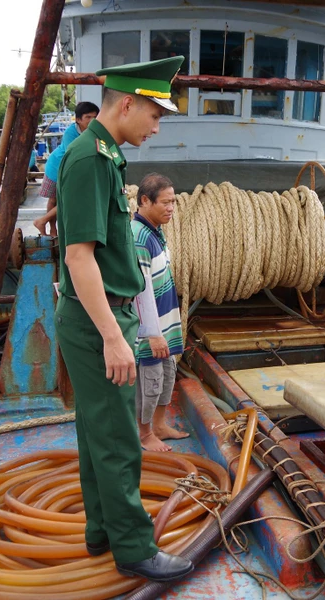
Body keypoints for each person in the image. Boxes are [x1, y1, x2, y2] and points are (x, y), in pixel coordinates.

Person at [53, 56, 193, 582]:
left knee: (96, 433)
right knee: (116, 438)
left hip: (98, 317)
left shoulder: (105, 155)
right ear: (128, 103)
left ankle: (101, 533)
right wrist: (114, 337)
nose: (158, 126)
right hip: (98, 322)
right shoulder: (91, 158)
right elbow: (79, 256)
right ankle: (134, 549)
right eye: (155, 115)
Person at [132, 173, 189, 452]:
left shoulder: (155, 230)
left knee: (167, 375)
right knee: (150, 383)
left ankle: (160, 425)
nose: (171, 208)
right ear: (145, 200)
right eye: (165, 203)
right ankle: (144, 435)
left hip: (165, 327)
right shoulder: (139, 237)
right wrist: (152, 334)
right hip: (151, 333)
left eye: (173, 202)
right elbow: (140, 291)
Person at [34, 101, 100, 235]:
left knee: (67, 200)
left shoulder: (95, 131)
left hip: (72, 169)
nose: (92, 121)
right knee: (53, 199)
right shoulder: (71, 132)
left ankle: (42, 222)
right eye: (88, 117)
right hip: (57, 167)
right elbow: (76, 153)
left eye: (95, 117)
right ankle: (52, 229)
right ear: (78, 119)